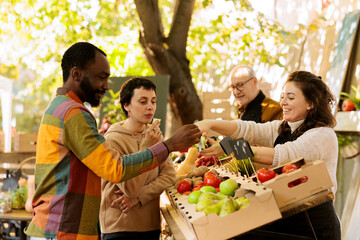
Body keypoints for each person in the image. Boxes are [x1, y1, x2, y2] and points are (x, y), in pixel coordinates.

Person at [24, 42, 201, 240]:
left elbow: (165, 174)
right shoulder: (73, 113)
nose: (106, 86)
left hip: (61, 227)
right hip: (63, 230)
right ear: (76, 74)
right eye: (101, 77)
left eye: (153, 101)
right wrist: (168, 145)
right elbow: (115, 169)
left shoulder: (60, 108)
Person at [197, 71, 341, 239]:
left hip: (315, 227)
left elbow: (282, 155)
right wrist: (210, 123)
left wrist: (231, 147)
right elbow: (247, 129)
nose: (283, 103)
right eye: (282, 97)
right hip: (288, 213)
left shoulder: (323, 135)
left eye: (291, 98)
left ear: (310, 103)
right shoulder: (284, 127)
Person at [99, 78, 175, 240]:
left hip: (150, 225)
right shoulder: (112, 140)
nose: (150, 107)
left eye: (153, 101)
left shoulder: (155, 135)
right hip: (120, 227)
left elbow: (169, 175)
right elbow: (130, 189)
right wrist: (145, 148)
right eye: (143, 101)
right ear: (126, 105)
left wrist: (140, 198)